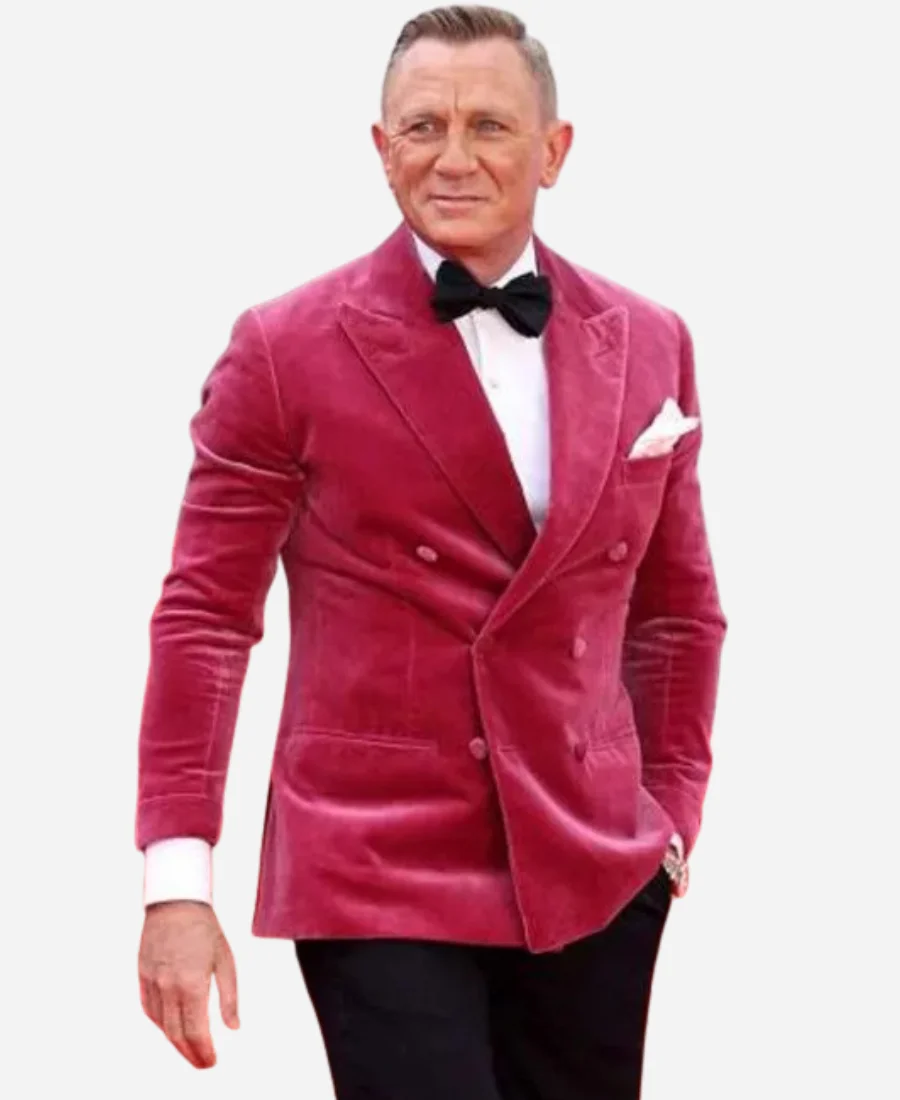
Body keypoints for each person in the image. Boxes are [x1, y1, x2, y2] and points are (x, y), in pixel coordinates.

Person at [136, 6, 727, 1097]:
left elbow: (678, 609)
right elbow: (205, 617)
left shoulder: (652, 339)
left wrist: (671, 815)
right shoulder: (283, 348)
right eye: (423, 126)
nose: (453, 157)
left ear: (554, 149)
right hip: (375, 861)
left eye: (489, 125)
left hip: (594, 860)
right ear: (381, 146)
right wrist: (177, 880)